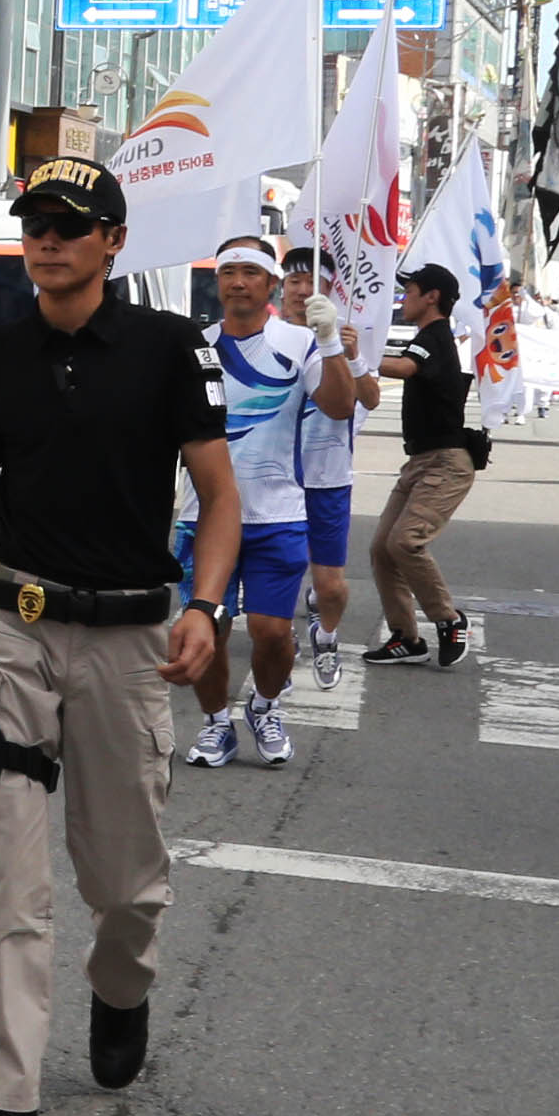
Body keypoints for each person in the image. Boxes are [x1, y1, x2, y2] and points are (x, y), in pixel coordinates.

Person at [0, 154, 235, 1116]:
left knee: (123, 883)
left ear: (112, 243)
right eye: (34, 222)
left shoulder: (164, 348)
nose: (47, 238)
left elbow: (217, 498)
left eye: (70, 223)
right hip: (14, 627)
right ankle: (3, 1105)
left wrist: (203, 606)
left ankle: (121, 985)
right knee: (6, 880)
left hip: (130, 637)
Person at [175, 236, 354, 768]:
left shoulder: (299, 343)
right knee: (208, 630)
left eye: (251, 272)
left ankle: (265, 705)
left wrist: (329, 341)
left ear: (271, 284)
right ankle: (215, 725)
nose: (238, 281)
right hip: (202, 516)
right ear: (217, 282)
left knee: (273, 634)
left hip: (278, 513)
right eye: (228, 271)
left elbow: (341, 405)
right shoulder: (196, 346)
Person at [366, 262, 480, 669]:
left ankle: (449, 620)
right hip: (420, 461)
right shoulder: (425, 338)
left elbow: (402, 367)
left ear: (432, 296)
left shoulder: (435, 336)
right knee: (382, 548)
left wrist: (352, 354)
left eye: (410, 289)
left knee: (405, 541)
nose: (403, 297)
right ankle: (405, 638)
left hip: (446, 463)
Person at [276, 245, 374, 687]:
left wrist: (349, 354)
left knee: (331, 587)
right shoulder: (269, 335)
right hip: (274, 478)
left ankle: (326, 634)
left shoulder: (341, 339)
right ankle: (281, 637)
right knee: (276, 575)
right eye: (294, 281)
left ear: (332, 289)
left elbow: (369, 399)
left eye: (313, 282)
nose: (302, 290)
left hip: (328, 477)